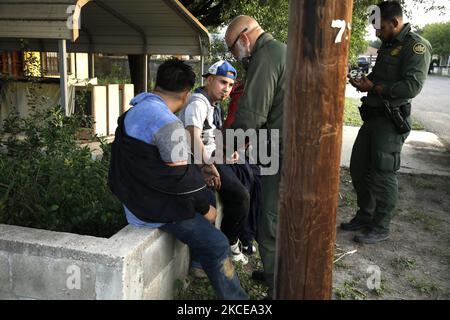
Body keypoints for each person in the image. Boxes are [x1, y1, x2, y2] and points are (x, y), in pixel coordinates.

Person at [108, 58, 248, 300]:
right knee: (217, 244)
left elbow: (166, 166)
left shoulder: (135, 110)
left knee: (204, 189)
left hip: (135, 194)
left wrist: (203, 169)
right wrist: (205, 210)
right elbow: (179, 181)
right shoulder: (168, 123)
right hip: (151, 209)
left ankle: (197, 260)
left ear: (157, 84)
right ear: (185, 95)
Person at [343, 1, 432, 244]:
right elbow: (377, 77)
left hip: (391, 121)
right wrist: (365, 82)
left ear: (395, 22)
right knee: (359, 169)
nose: (377, 33)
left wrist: (376, 88)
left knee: (383, 174)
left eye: (380, 28)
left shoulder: (416, 47)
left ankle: (380, 226)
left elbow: (412, 87)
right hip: (372, 117)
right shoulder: (386, 45)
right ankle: (365, 215)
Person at [225, 15, 286, 298]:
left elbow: (251, 115)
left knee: (268, 222)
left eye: (232, 48)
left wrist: (225, 148)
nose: (235, 56)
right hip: (282, 147)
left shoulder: (266, 55)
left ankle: (277, 288)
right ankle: (279, 273)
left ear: (244, 39)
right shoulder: (281, 50)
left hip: (280, 150)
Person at [178, 60, 250, 266]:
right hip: (196, 164)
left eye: (229, 85)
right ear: (209, 80)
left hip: (210, 159)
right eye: (222, 82)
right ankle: (226, 245)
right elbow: (193, 136)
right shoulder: (198, 103)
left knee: (248, 178)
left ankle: (238, 238)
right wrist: (206, 167)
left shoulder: (212, 104)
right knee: (238, 196)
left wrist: (226, 153)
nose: (226, 89)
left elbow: (209, 139)